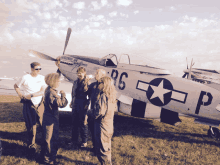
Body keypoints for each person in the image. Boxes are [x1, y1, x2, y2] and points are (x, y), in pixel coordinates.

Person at [14, 62, 47, 150]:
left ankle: (45, 142)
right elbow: (16, 86)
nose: (39, 71)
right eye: (37, 69)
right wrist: (20, 95)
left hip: (40, 103)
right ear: (32, 69)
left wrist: (31, 95)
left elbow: (42, 91)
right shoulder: (25, 77)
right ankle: (32, 143)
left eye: (40, 69)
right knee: (31, 124)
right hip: (29, 103)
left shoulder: (42, 78)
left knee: (42, 123)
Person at [41, 73, 68, 164]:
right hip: (51, 119)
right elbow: (61, 104)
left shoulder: (49, 90)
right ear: (53, 81)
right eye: (58, 80)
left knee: (51, 138)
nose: (59, 82)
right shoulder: (51, 92)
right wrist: (63, 95)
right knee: (49, 139)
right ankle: (48, 159)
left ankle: (50, 156)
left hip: (50, 117)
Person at [92, 76, 117, 165]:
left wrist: (91, 113)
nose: (98, 85)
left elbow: (99, 112)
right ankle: (108, 163)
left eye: (100, 83)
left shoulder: (103, 96)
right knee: (107, 147)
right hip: (109, 125)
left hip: (102, 126)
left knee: (102, 149)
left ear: (104, 84)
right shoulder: (112, 96)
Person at [69, 66, 90, 147]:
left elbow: (87, 92)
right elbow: (73, 92)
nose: (79, 74)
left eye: (81, 73)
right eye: (78, 73)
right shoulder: (75, 82)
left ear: (84, 73)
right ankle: (74, 140)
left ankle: (84, 141)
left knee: (83, 123)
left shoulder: (87, 82)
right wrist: (71, 101)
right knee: (74, 123)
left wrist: (86, 81)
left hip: (83, 105)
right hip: (75, 104)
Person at [87, 69, 107, 152]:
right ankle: (95, 147)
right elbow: (87, 92)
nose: (95, 74)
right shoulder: (93, 84)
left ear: (102, 75)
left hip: (99, 112)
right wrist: (86, 82)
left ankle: (100, 149)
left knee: (98, 131)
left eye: (97, 73)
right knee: (92, 130)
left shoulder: (105, 85)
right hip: (92, 111)